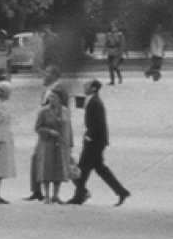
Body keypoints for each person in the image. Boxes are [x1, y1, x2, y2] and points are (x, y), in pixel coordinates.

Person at [66, 79, 130, 206]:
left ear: (93, 88)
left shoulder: (95, 103)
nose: (84, 87)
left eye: (87, 85)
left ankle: (80, 195)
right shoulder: (93, 101)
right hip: (97, 141)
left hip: (94, 141)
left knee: (82, 169)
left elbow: (98, 124)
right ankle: (121, 191)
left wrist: (90, 137)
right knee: (100, 169)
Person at [24, 65, 71, 201]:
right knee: (41, 159)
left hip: (55, 129)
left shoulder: (59, 89)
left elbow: (64, 110)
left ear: (55, 75)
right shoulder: (47, 88)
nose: (45, 75)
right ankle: (38, 190)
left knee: (57, 161)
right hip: (46, 127)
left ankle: (44, 190)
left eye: (48, 73)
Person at [33, 89, 72, 204]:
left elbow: (69, 128)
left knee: (59, 168)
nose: (51, 99)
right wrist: (49, 131)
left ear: (59, 99)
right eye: (50, 97)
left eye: (54, 97)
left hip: (61, 144)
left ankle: (56, 195)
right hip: (47, 143)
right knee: (46, 168)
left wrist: (70, 144)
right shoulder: (43, 111)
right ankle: (46, 195)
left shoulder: (65, 111)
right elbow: (37, 127)